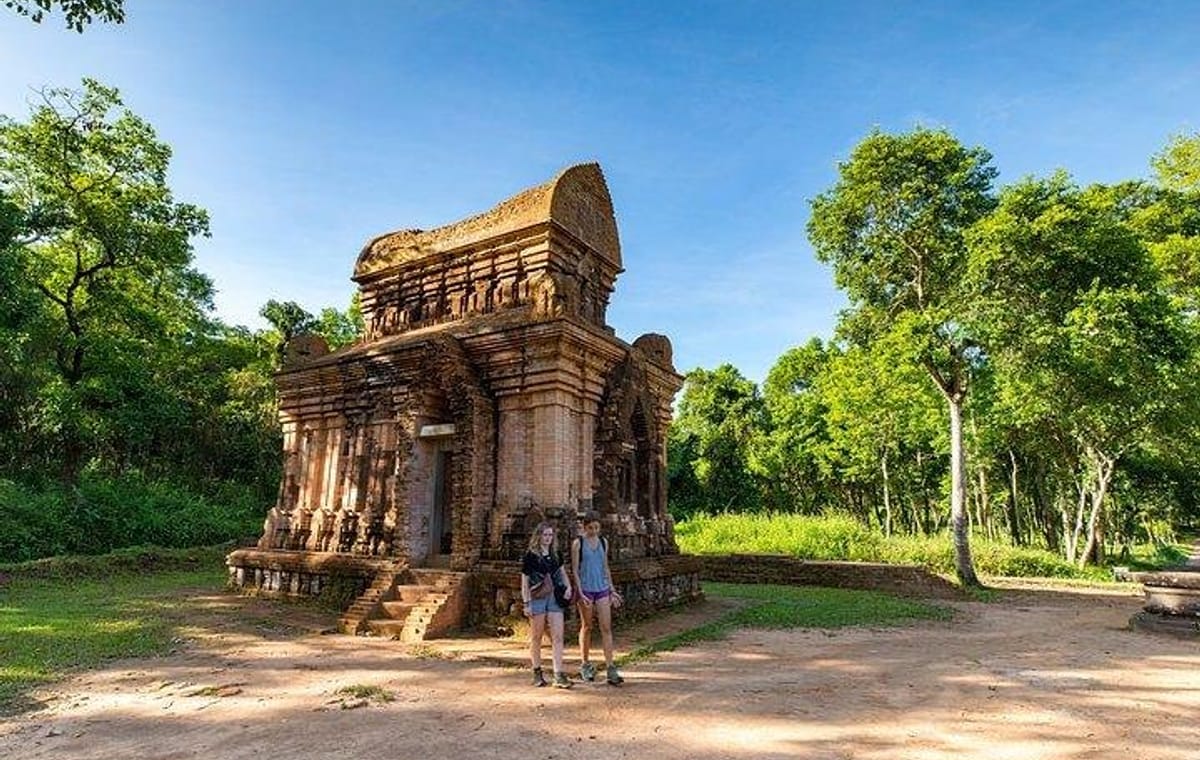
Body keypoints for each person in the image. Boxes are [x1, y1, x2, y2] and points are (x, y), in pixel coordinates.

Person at [570, 511, 624, 685]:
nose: (594, 531)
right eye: (590, 528)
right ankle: (585, 664)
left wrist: (612, 590)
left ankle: (610, 667)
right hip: (586, 589)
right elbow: (575, 570)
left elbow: (605, 567)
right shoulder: (578, 544)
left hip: (602, 588)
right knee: (587, 627)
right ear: (585, 527)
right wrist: (580, 592)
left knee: (606, 628)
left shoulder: (603, 542)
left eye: (596, 527)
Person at [521, 521, 573, 688]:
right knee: (536, 637)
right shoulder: (531, 555)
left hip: (554, 597)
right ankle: (537, 671)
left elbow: (562, 573)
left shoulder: (556, 554)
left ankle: (558, 673)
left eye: (550, 535)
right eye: (545, 535)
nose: (548, 538)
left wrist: (569, 587)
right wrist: (526, 602)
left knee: (558, 636)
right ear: (539, 536)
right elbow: (525, 581)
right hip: (537, 598)